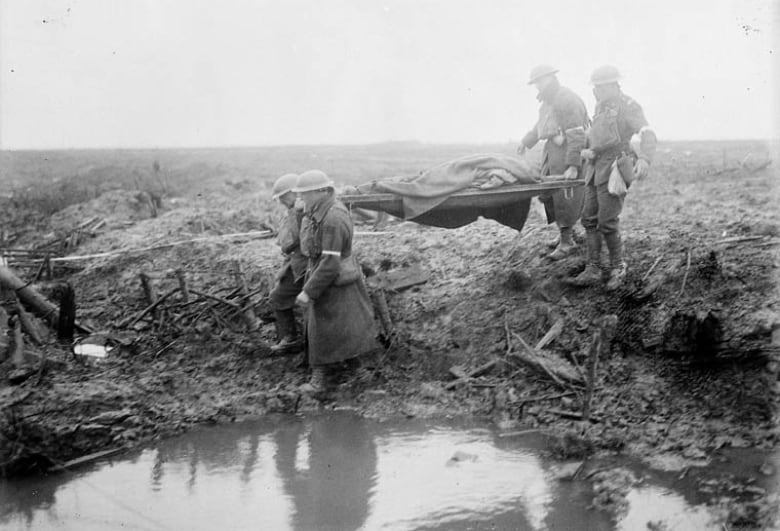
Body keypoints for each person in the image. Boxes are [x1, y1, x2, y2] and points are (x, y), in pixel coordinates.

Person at [568, 65, 657, 290]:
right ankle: (593, 268)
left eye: (598, 87)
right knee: (589, 218)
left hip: (615, 168)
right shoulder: (600, 107)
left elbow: (648, 133)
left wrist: (645, 158)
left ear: (611, 85)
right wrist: (591, 151)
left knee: (607, 221)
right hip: (595, 168)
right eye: (594, 87)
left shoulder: (629, 106)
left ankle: (618, 266)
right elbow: (600, 138)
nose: (595, 92)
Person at [293, 170, 376, 392]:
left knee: (325, 329)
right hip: (330, 278)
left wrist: (309, 291)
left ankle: (320, 380)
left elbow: (330, 261)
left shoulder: (333, 218)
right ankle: (359, 373)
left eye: (305, 194)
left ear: (321, 192)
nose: (302, 199)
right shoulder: (321, 211)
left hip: (334, 280)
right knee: (338, 329)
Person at [518, 64, 589, 260]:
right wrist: (526, 141)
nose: (537, 87)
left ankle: (567, 243)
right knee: (550, 196)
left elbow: (576, 133)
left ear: (550, 78)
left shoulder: (567, 99)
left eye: (539, 81)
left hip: (567, 154)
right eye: (536, 83)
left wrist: (573, 165)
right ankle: (564, 235)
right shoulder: (548, 103)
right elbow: (539, 126)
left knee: (565, 197)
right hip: (552, 154)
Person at [268, 173, 308, 355]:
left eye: (284, 196)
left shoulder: (305, 209)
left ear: (295, 192)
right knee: (278, 297)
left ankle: (299, 342)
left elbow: (292, 241)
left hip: (309, 266)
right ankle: (290, 338)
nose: (282, 201)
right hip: (296, 264)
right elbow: (283, 242)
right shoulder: (292, 211)